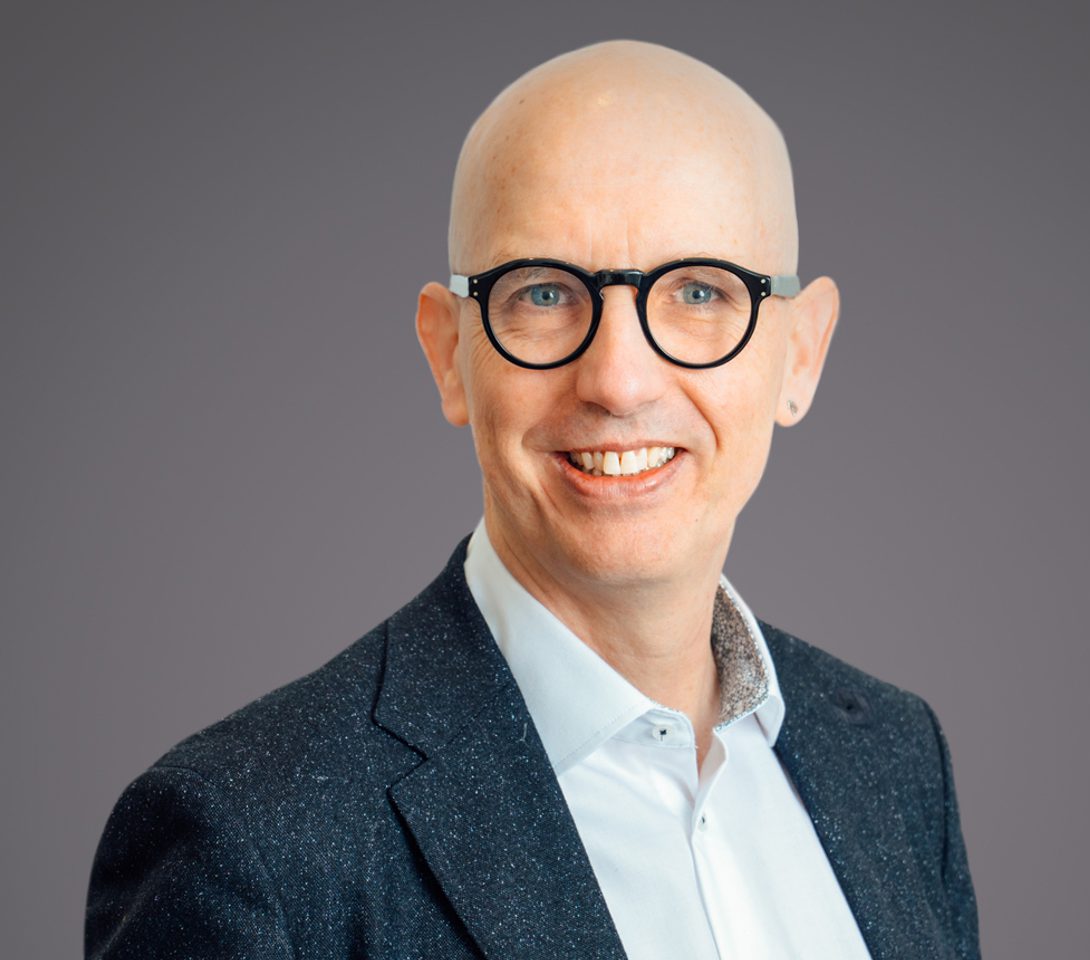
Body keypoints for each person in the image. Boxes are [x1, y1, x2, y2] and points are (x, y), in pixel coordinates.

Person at [85, 39, 979, 960]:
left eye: (701, 291)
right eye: (544, 292)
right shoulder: (249, 846)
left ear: (802, 354)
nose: (620, 381)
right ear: (448, 354)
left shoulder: (895, 761)